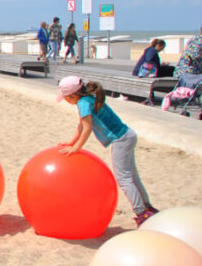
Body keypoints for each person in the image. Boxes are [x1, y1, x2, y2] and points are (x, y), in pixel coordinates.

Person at [56, 75, 159, 228]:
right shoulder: (88, 99)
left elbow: (87, 128)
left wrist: (76, 148)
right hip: (127, 135)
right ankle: (147, 207)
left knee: (124, 178)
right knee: (132, 176)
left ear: (73, 95)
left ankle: (141, 213)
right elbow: (82, 125)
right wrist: (71, 142)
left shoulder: (83, 104)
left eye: (65, 97)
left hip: (121, 139)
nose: (65, 100)